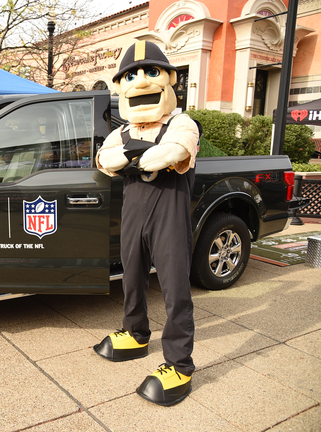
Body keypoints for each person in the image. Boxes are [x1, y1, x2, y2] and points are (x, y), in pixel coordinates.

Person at [94, 41, 200, 407]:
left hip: (168, 211)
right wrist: (134, 155)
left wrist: (133, 157)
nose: (140, 82)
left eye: (150, 72)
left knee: (173, 286)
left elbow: (171, 152)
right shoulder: (122, 130)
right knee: (132, 273)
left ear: (168, 79)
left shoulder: (181, 122)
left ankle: (179, 363)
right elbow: (105, 159)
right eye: (130, 76)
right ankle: (137, 332)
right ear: (121, 86)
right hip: (134, 212)